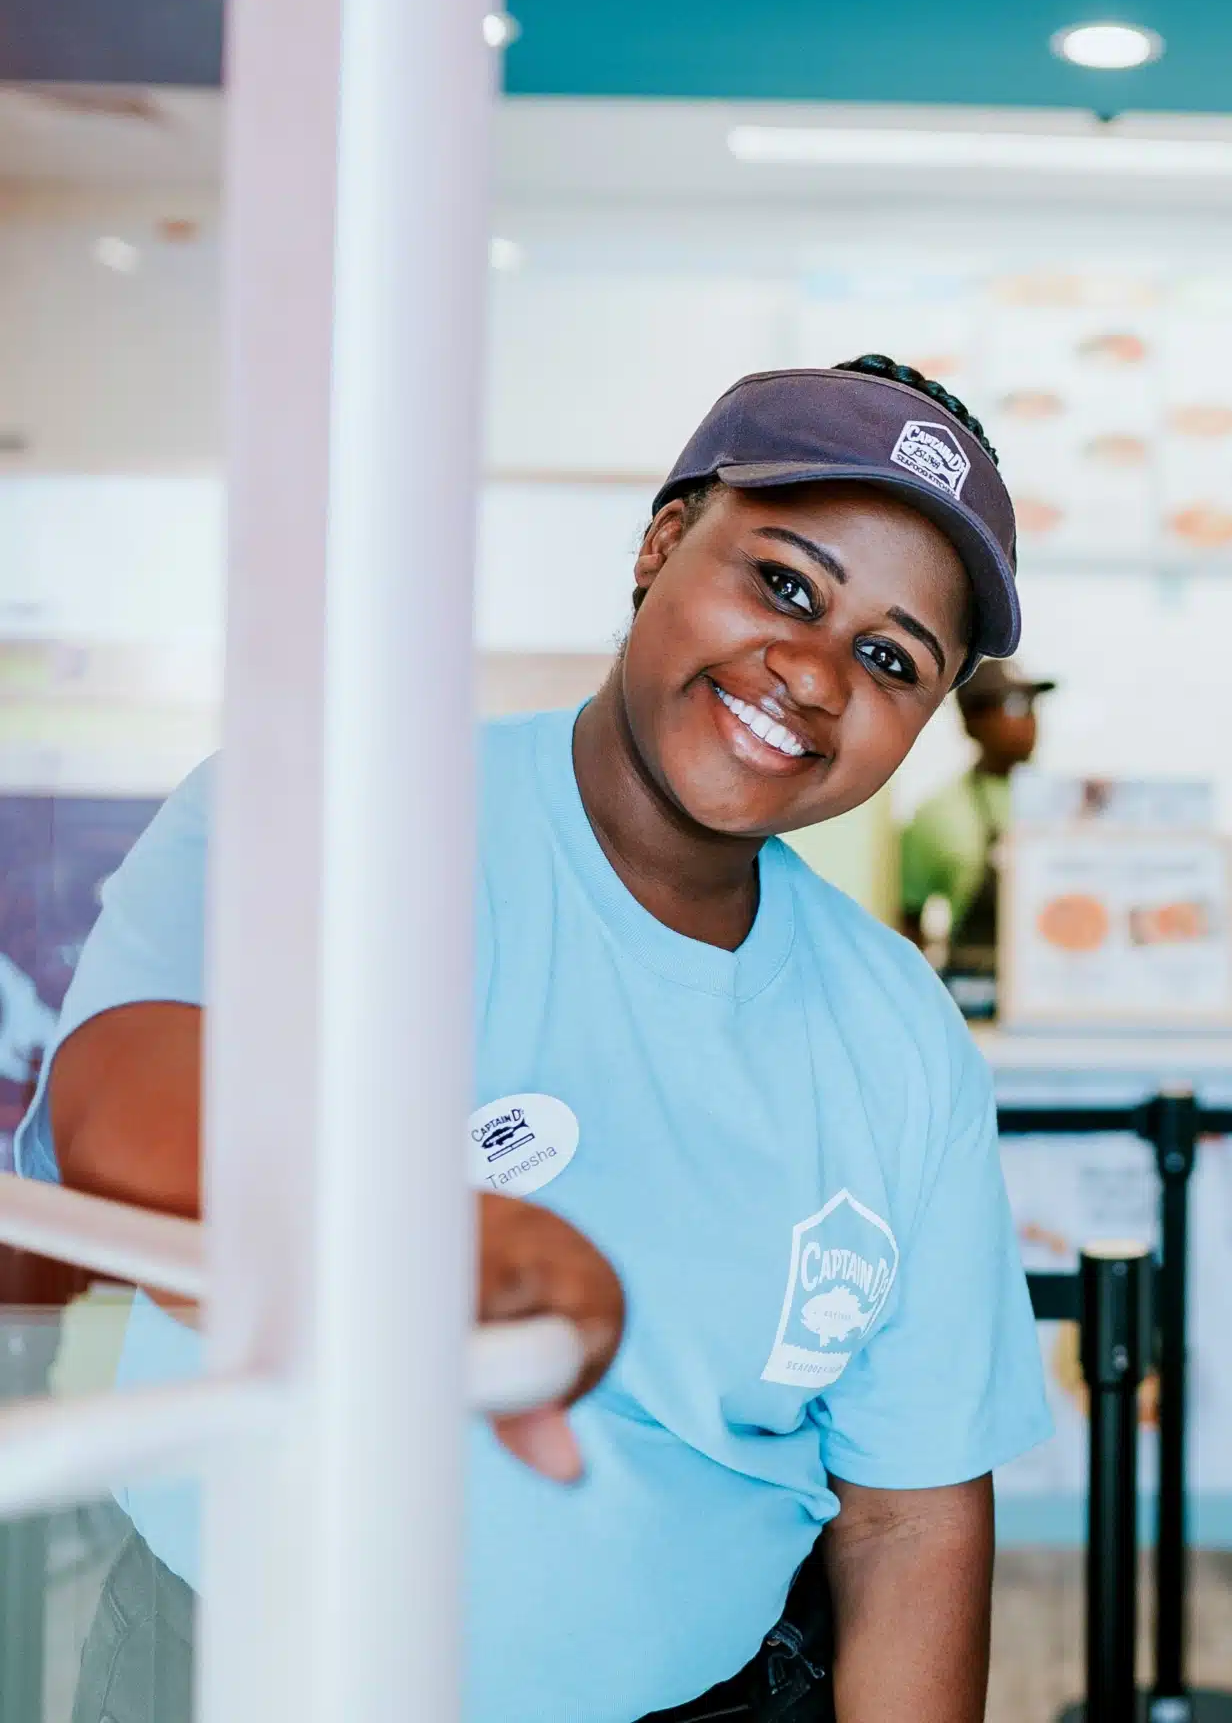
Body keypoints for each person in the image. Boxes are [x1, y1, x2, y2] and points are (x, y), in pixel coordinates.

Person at [18, 357, 1053, 1723]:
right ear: (663, 542)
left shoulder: (898, 1035)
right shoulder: (341, 811)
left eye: (888, 658)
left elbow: (906, 1525)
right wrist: (430, 1237)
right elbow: (115, 1105)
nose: (808, 672)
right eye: (784, 584)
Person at [898, 657, 1055, 975]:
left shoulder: (1064, 809)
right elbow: (908, 923)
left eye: (1032, 704)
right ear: (971, 722)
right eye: (1014, 704)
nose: (1029, 720)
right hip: (975, 998)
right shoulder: (936, 815)